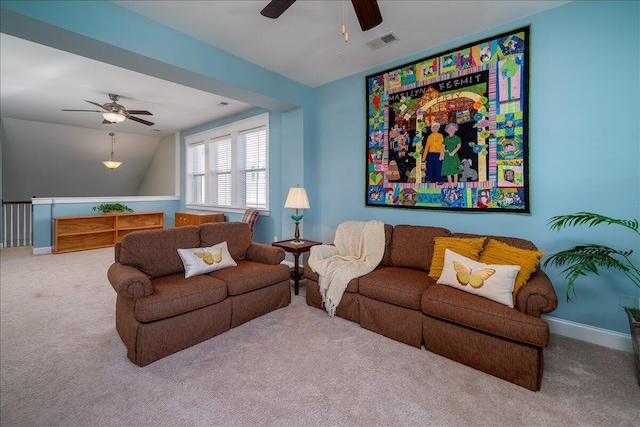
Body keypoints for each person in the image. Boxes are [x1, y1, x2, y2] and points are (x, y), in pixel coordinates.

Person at [440, 123, 462, 187]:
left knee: (455, 170)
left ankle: (455, 184)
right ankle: (449, 184)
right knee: (448, 170)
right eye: (449, 129)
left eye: (452, 129)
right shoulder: (446, 138)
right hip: (447, 156)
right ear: (447, 130)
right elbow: (442, 146)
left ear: (455, 129)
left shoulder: (457, 138)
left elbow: (458, 146)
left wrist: (453, 152)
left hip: (454, 156)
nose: (451, 130)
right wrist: (443, 152)